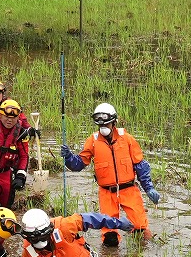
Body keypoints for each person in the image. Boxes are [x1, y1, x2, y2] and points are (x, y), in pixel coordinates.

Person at [60, 103, 159, 247]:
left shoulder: (127, 139)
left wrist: (149, 187)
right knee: (109, 238)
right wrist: (69, 157)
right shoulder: (92, 141)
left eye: (107, 123)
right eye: (100, 124)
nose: (103, 127)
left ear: (114, 122)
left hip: (129, 190)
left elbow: (140, 166)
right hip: (107, 193)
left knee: (141, 229)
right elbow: (78, 165)